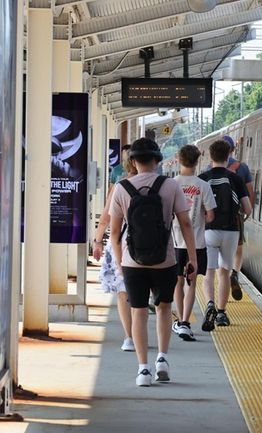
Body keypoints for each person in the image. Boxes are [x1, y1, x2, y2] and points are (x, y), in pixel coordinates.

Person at [109, 137, 198, 387]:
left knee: (138, 313)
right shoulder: (170, 186)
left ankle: (143, 370)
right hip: (165, 260)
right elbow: (186, 223)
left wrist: (120, 263)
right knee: (163, 308)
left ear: (133, 161)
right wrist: (192, 258)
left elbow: (115, 234)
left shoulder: (121, 188)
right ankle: (162, 359)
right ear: (157, 161)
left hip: (132, 262)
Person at [199, 139, 252, 331]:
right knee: (224, 272)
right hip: (230, 231)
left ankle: (210, 305)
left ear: (210, 156)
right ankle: (221, 313)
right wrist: (240, 221)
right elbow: (248, 208)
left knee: (209, 273)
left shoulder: (202, 178)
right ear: (228, 156)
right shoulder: (236, 179)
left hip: (209, 230)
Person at [92, 144, 136, 352]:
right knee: (141, 291)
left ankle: (129, 337)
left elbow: (105, 219)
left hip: (122, 242)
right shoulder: (161, 185)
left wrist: (98, 241)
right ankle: (139, 332)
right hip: (149, 244)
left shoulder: (120, 186)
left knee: (122, 291)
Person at [171, 145, 217, 341]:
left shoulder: (171, 184)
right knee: (192, 284)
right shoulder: (203, 185)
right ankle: (184, 322)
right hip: (197, 244)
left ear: (179, 159)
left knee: (177, 284)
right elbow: (211, 216)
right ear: (197, 161)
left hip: (174, 243)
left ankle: (179, 323)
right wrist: (198, 220)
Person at [221, 135, 255, 301]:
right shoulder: (242, 168)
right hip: (236, 216)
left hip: (215, 219)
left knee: (219, 258)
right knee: (238, 248)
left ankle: (216, 300)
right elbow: (249, 193)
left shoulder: (208, 168)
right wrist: (247, 213)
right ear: (233, 150)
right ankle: (235, 273)